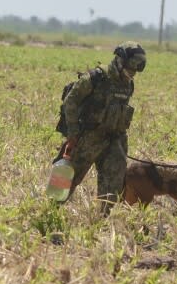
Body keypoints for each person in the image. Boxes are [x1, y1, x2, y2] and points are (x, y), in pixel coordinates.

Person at [59, 41, 146, 213]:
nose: (132, 74)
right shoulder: (95, 78)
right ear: (120, 61)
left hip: (114, 139)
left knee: (114, 181)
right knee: (66, 178)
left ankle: (104, 220)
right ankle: (51, 212)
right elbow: (71, 102)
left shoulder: (128, 84)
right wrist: (73, 132)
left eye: (135, 71)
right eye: (130, 69)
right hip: (88, 138)